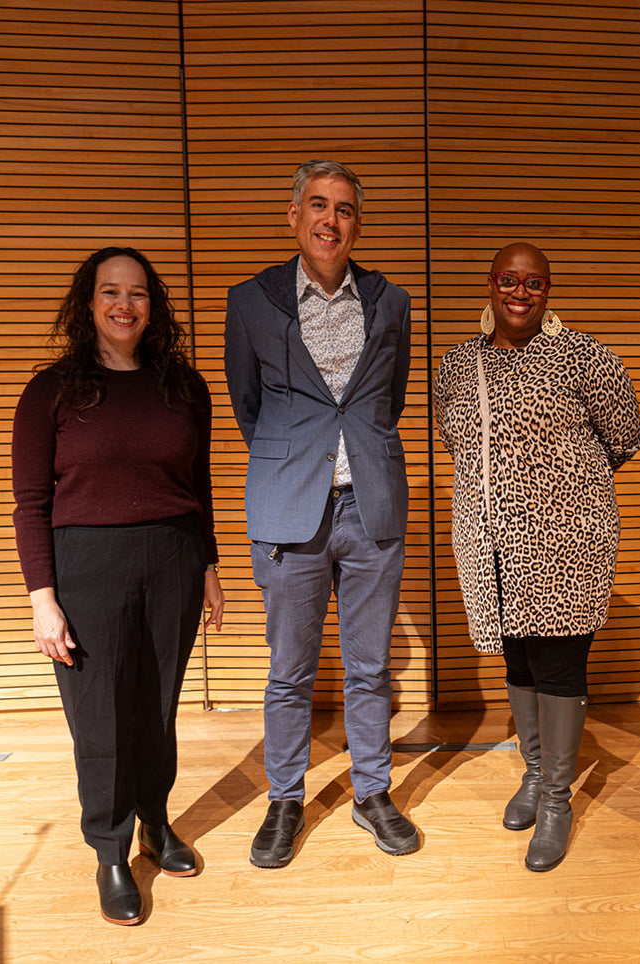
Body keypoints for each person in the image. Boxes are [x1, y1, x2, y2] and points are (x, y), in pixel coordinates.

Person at [11, 246, 225, 926]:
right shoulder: (52, 391)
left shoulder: (183, 387)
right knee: (100, 719)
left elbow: (199, 487)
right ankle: (109, 851)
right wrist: (43, 597)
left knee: (155, 707)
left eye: (136, 293)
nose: (124, 304)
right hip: (86, 568)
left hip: (174, 558)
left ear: (152, 305)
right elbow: (29, 504)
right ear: (89, 302)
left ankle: (155, 826)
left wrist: (210, 567)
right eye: (110, 291)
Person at [224, 160, 419, 868]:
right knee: (289, 671)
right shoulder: (249, 301)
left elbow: (386, 401)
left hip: (371, 508)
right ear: (293, 214)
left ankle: (372, 793)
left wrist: (351, 453)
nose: (329, 220)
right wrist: (294, 460)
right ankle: (284, 799)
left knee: (369, 670)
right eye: (317, 205)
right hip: (288, 509)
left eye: (342, 209)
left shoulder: (390, 301)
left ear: (357, 225)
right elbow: (248, 404)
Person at [433, 242, 640, 872]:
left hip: (566, 543)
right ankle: (531, 773)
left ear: (549, 290)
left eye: (534, 282)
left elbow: (623, 436)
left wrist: (560, 490)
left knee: (557, 667)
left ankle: (556, 800)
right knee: (517, 660)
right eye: (507, 279)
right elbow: (456, 440)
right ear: (490, 285)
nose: (519, 292)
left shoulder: (583, 356)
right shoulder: (458, 365)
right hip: (488, 541)